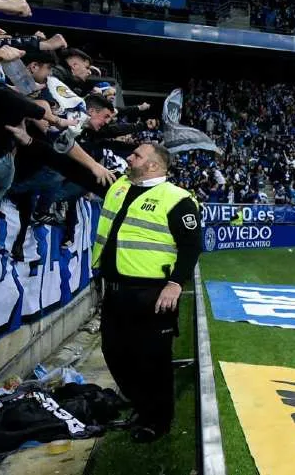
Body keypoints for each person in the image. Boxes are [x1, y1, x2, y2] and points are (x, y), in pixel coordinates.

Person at [92, 143, 202, 443]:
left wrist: (175, 284)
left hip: (153, 295)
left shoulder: (177, 199)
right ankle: (143, 407)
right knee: (115, 354)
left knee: (152, 361)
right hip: (115, 293)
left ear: (154, 166)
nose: (130, 157)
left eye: (137, 155)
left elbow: (192, 246)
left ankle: (158, 421)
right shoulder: (119, 187)